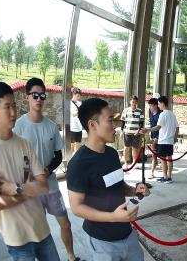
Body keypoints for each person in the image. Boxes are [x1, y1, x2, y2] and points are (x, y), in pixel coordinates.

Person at [0, 82, 60, 261]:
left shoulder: (24, 144)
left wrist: (15, 188)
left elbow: (43, 187)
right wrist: (30, 189)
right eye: (7, 107)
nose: (13, 113)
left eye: (14, 106)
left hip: (42, 230)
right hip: (17, 239)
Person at [67, 98, 150, 261]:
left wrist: (134, 190)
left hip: (128, 234)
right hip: (102, 244)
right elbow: (77, 207)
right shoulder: (78, 163)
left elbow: (117, 184)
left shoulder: (112, 154)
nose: (115, 126)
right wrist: (114, 217)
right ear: (92, 125)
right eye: (110, 120)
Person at [14, 78, 80, 261]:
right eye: (34, 95)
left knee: (65, 223)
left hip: (51, 186)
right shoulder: (19, 126)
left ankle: (71, 256)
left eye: (42, 95)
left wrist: (48, 169)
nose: (39, 99)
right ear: (27, 97)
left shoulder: (51, 127)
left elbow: (58, 156)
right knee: (38, 231)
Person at [141, 95, 179, 183]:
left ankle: (165, 177)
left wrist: (148, 130)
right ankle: (169, 177)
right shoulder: (172, 114)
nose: (158, 106)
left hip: (163, 141)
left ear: (162, 103)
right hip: (170, 141)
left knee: (163, 160)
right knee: (169, 159)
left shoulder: (162, 114)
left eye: (158, 104)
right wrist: (175, 137)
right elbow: (177, 128)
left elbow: (158, 127)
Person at [121, 95, 144, 169]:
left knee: (135, 148)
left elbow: (141, 122)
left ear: (137, 102)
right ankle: (125, 163)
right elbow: (123, 122)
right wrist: (122, 131)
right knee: (126, 148)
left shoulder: (140, 111)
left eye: (135, 102)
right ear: (130, 102)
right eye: (133, 101)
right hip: (127, 132)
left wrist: (138, 130)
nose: (134, 103)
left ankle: (134, 163)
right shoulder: (125, 110)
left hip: (136, 133)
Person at [147, 97, 161, 179]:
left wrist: (158, 137)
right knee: (154, 155)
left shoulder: (161, 114)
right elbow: (151, 123)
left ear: (156, 105)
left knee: (164, 156)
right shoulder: (150, 111)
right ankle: (152, 172)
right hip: (153, 136)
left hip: (161, 137)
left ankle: (167, 172)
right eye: (149, 106)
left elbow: (162, 127)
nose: (150, 108)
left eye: (151, 106)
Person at [69, 87, 83, 155]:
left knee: (78, 145)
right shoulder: (70, 104)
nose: (79, 97)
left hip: (79, 127)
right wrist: (80, 111)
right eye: (77, 96)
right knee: (72, 145)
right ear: (73, 95)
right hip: (72, 128)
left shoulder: (80, 103)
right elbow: (73, 114)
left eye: (79, 96)